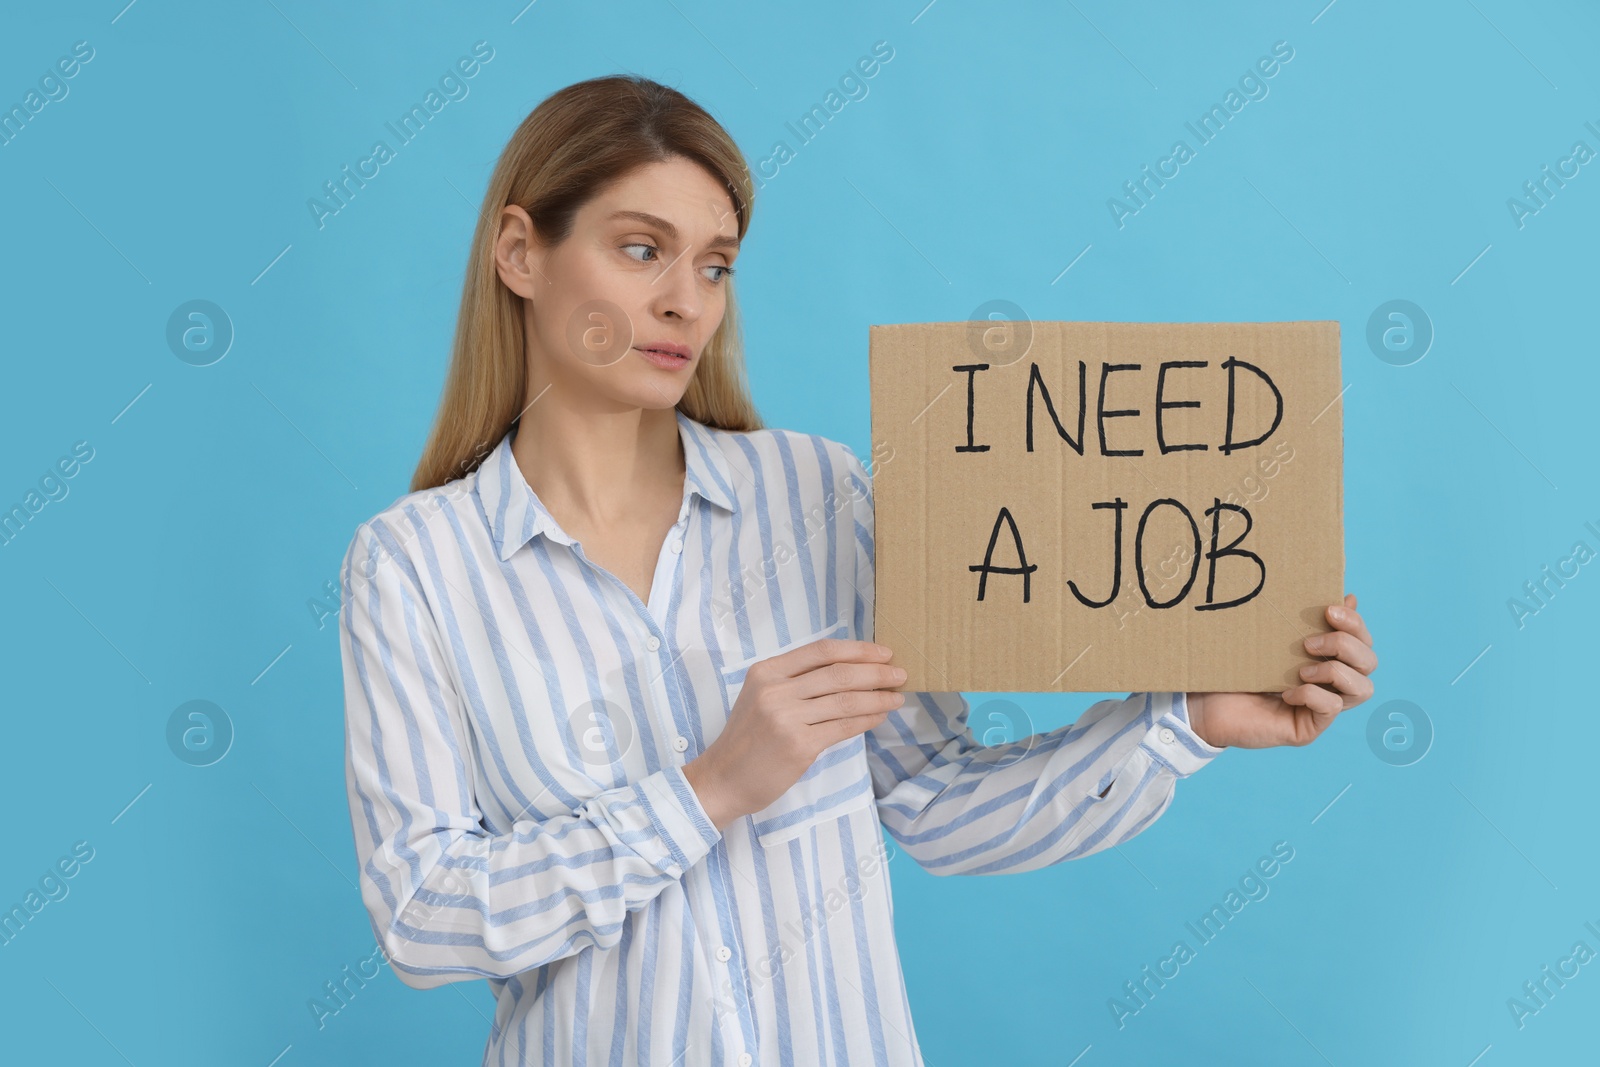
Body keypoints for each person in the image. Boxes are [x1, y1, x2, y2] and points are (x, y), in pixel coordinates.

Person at [337, 74, 1377, 1067]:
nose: (682, 302)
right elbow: (424, 915)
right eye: (640, 249)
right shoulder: (414, 565)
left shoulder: (819, 495)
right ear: (520, 251)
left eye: (713, 264)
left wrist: (1183, 720)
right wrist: (707, 789)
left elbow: (936, 793)